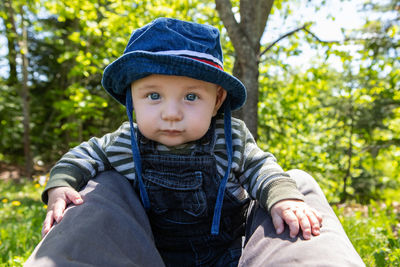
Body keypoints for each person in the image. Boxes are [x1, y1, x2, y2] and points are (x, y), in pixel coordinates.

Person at [25, 18, 364, 266]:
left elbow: (262, 168)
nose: (171, 113)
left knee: (296, 186)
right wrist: (60, 185)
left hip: (229, 257)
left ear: (217, 101)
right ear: (132, 100)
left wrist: (283, 198)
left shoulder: (228, 139)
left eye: (190, 97)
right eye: (153, 95)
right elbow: (83, 155)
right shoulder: (124, 142)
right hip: (146, 255)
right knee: (102, 185)